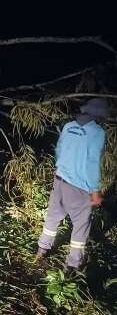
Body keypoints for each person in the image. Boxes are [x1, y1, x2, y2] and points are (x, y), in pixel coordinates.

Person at [36, 98, 109, 272]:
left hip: (60, 180)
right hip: (80, 187)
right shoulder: (97, 132)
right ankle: (73, 265)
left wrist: (59, 167)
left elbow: (59, 150)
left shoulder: (68, 127)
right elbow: (92, 163)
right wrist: (95, 190)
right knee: (81, 225)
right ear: (99, 116)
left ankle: (42, 249)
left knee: (53, 216)